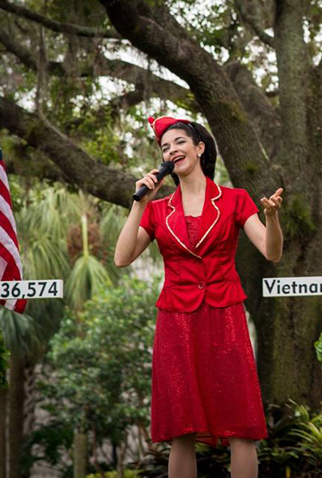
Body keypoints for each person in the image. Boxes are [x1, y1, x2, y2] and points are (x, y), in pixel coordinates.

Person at [115, 116, 284, 478]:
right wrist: (139, 204)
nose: (172, 151)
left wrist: (272, 219)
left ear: (200, 148)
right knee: (181, 430)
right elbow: (122, 257)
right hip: (176, 323)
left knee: (240, 426)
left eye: (179, 142)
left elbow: (272, 252)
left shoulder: (235, 199)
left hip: (225, 318)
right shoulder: (158, 209)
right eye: (165, 147)